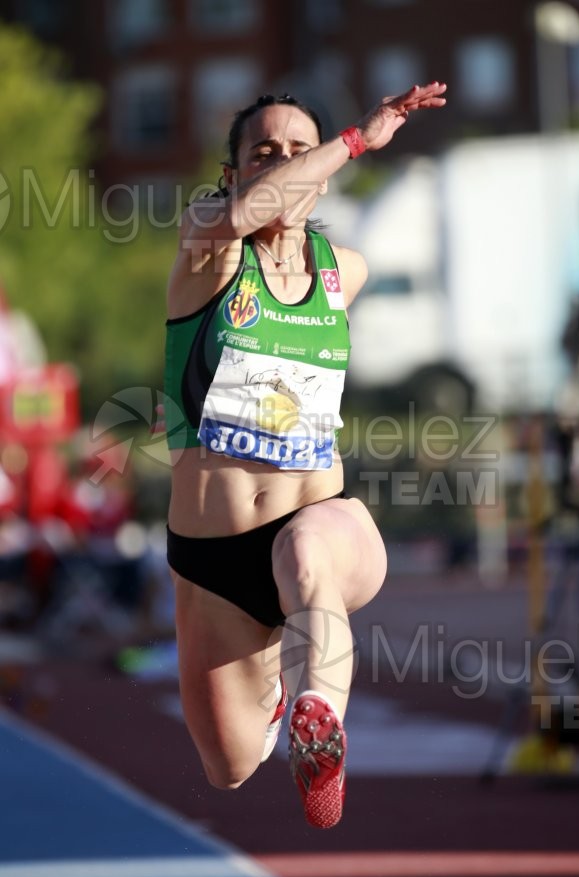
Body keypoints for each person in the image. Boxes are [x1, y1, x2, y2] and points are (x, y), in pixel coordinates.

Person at [164, 82, 447, 828]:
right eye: (265, 153)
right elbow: (251, 214)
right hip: (214, 558)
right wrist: (352, 141)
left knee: (305, 558)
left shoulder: (341, 271)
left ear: (320, 175)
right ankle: (282, 694)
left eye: (299, 152)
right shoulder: (209, 250)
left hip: (320, 521)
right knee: (225, 768)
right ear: (232, 174)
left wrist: (337, 156)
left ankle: (318, 715)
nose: (284, 165)